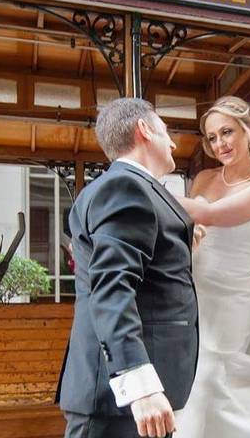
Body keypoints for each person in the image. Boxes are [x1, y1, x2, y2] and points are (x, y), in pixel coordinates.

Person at [56, 97, 198, 438]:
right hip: (121, 400)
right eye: (166, 132)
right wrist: (140, 384)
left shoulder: (130, 189)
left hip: (133, 399)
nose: (173, 142)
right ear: (145, 130)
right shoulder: (125, 187)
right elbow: (112, 287)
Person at [173, 96, 250, 438]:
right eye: (212, 137)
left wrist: (142, 184)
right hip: (195, 290)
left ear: (249, 133)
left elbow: (208, 214)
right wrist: (189, 232)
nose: (219, 143)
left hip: (234, 296)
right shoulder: (204, 178)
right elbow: (190, 224)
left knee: (211, 377)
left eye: (227, 132)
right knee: (192, 377)